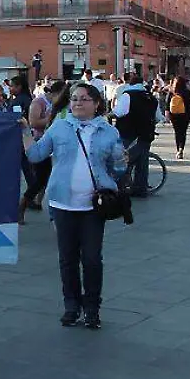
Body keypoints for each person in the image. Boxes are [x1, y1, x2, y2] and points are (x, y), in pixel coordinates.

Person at [22, 82, 125, 330]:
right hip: (61, 203)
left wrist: (121, 162)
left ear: (96, 104)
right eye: (74, 98)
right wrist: (25, 132)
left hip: (93, 206)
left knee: (91, 259)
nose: (78, 103)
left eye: (84, 99)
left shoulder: (108, 132)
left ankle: (92, 309)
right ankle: (71, 306)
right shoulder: (59, 127)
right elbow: (36, 155)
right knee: (67, 259)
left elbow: (119, 168)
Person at [19, 80, 66, 222]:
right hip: (41, 143)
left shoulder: (62, 108)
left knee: (50, 180)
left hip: (58, 148)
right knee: (39, 180)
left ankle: (41, 204)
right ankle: (21, 206)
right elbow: (33, 123)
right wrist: (52, 121)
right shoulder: (39, 103)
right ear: (56, 93)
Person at [113, 73, 158, 198]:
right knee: (142, 163)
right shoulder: (151, 97)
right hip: (146, 135)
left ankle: (120, 187)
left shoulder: (127, 95)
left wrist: (108, 116)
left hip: (128, 133)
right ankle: (140, 189)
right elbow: (159, 117)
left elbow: (119, 112)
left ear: (130, 84)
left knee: (122, 160)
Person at [167, 76, 190, 160]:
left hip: (174, 114)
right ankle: (181, 149)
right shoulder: (187, 92)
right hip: (184, 114)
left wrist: (167, 115)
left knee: (177, 132)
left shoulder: (171, 92)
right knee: (183, 132)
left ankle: (178, 149)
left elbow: (167, 104)